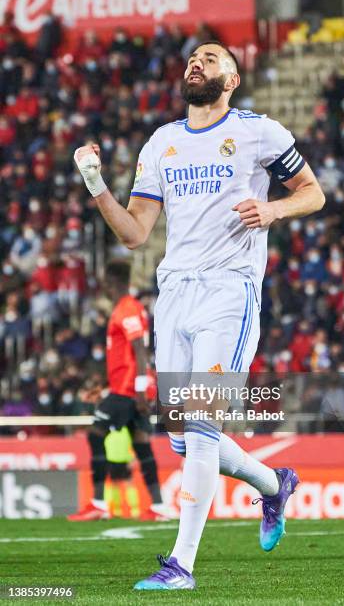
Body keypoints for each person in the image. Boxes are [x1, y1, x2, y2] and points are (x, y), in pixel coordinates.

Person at [74, 41, 325, 590]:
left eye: (211, 58)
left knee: (204, 426)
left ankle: (181, 565)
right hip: (174, 297)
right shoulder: (162, 142)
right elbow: (135, 233)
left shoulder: (261, 131)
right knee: (183, 440)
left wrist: (274, 208)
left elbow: (313, 193)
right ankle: (273, 482)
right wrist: (95, 183)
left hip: (228, 293)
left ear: (232, 78)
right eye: (193, 57)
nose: (197, 62)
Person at [68, 260, 167, 521]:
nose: (104, 288)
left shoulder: (127, 309)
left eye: (106, 283)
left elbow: (140, 351)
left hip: (127, 390)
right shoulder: (128, 308)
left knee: (95, 434)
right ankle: (157, 507)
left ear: (112, 282)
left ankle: (99, 503)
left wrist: (139, 391)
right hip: (126, 387)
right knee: (142, 445)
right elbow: (125, 354)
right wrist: (104, 387)